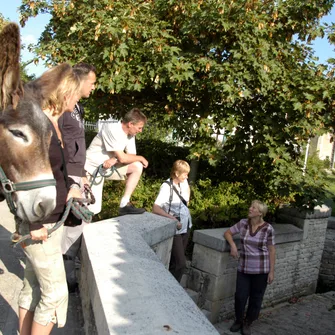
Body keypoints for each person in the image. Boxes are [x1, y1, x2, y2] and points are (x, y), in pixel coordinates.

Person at [18, 64, 82, 335]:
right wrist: (33, 223)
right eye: (76, 94)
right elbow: (23, 179)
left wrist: (71, 187)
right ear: (64, 92)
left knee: (32, 286)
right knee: (55, 294)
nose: (78, 99)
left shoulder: (51, 122)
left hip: (51, 220)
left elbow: (55, 170)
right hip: (39, 224)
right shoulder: (37, 125)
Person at [58, 63, 96, 293]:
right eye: (91, 82)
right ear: (80, 80)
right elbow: (57, 140)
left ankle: (66, 275)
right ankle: (61, 277)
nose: (94, 86)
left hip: (76, 173)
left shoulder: (78, 108)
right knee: (66, 222)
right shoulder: (63, 104)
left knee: (75, 223)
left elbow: (77, 143)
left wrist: (82, 174)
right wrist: (68, 177)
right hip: (65, 173)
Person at [223, 200, 276, 335]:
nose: (250, 209)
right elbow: (227, 233)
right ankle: (239, 320)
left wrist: (271, 271)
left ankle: (248, 322)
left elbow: (271, 250)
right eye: (251, 206)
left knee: (256, 298)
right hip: (244, 269)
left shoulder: (268, 229)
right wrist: (233, 246)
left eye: (253, 208)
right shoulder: (243, 223)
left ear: (260, 213)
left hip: (261, 271)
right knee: (240, 296)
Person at [85, 108, 148, 216]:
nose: (140, 131)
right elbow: (124, 158)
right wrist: (141, 157)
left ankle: (124, 204)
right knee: (91, 208)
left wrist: (115, 159)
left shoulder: (131, 135)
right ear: (130, 124)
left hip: (106, 168)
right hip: (91, 169)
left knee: (137, 166)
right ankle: (78, 231)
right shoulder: (112, 128)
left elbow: (131, 156)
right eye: (139, 128)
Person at [152, 160, 192, 282]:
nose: (187, 176)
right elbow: (155, 208)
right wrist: (172, 219)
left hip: (186, 226)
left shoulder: (183, 183)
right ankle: (174, 289)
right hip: (175, 229)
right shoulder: (166, 187)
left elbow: (186, 199)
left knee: (175, 262)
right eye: (184, 173)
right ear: (176, 173)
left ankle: (170, 284)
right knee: (181, 263)